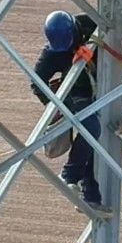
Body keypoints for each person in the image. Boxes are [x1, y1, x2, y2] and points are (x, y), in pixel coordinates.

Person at [33, 10, 103, 208]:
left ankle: (91, 194)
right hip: (75, 94)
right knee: (91, 130)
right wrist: (56, 107)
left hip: (104, 87)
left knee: (96, 143)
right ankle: (70, 174)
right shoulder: (51, 53)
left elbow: (118, 33)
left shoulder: (90, 24)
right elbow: (37, 83)